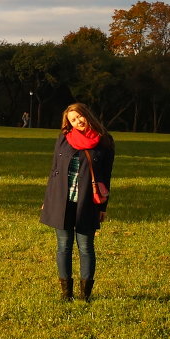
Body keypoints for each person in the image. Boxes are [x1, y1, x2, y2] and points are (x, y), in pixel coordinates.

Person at [39, 102, 114, 302]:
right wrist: (48, 200)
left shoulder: (105, 140)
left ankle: (85, 295)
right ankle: (66, 294)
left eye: (79, 117)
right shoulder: (64, 139)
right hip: (61, 200)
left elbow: (105, 177)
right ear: (69, 124)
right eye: (73, 120)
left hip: (87, 202)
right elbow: (54, 171)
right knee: (63, 246)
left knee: (86, 247)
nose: (77, 121)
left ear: (87, 115)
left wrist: (102, 207)